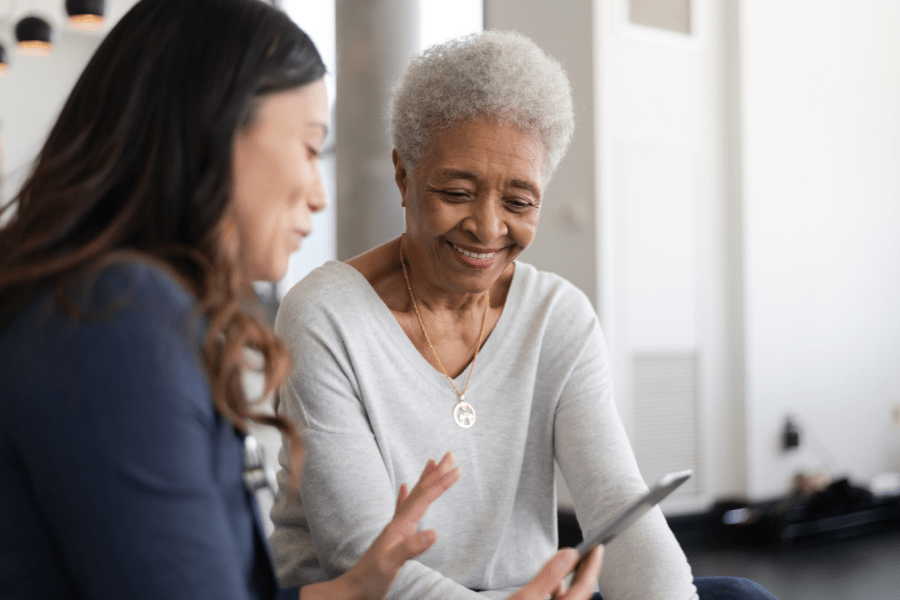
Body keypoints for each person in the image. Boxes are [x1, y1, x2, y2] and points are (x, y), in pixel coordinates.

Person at [269, 31, 778, 600]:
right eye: (457, 192)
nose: (488, 229)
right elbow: (362, 555)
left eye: (518, 202)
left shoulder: (558, 316)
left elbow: (617, 501)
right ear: (404, 175)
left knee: (739, 596)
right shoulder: (326, 315)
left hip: (527, 593)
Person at [0, 1, 470, 598]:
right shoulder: (117, 314)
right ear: (215, 131)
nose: (320, 196)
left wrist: (354, 588)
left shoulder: (115, 304)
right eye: (308, 146)